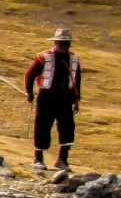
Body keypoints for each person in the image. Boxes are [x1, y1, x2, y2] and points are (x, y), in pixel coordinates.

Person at [25, 27, 82, 171]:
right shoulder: (44, 57)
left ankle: (63, 160)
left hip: (65, 98)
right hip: (46, 97)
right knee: (42, 126)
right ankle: (38, 158)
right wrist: (29, 93)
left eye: (66, 44)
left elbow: (77, 80)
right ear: (55, 43)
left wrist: (76, 99)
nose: (63, 46)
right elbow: (29, 75)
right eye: (61, 43)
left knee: (67, 129)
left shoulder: (74, 59)